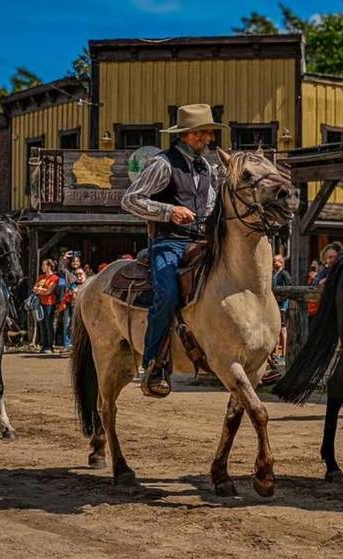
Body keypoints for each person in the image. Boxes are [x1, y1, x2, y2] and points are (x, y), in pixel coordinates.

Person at [121, 103, 226, 398]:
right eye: (204, 133)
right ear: (188, 135)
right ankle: (154, 364)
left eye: (209, 133)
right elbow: (130, 200)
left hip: (201, 241)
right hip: (168, 241)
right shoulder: (162, 163)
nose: (208, 139)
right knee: (167, 294)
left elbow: (208, 206)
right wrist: (169, 212)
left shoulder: (207, 167)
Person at [32, 259, 59, 353]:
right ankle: (44, 345)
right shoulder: (41, 277)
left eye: (43, 265)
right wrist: (41, 290)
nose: (42, 267)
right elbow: (34, 289)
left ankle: (50, 345)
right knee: (42, 324)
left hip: (50, 303)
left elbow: (49, 291)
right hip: (41, 303)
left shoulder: (55, 278)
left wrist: (40, 290)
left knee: (48, 324)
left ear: (49, 266)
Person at [271, 254, 292, 356]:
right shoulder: (274, 273)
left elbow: (289, 287)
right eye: (274, 261)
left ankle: (284, 353)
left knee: (283, 328)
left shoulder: (284, 274)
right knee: (276, 327)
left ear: (282, 262)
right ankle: (276, 351)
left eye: (276, 261)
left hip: (282, 304)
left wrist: (283, 300)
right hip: (274, 303)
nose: (275, 263)